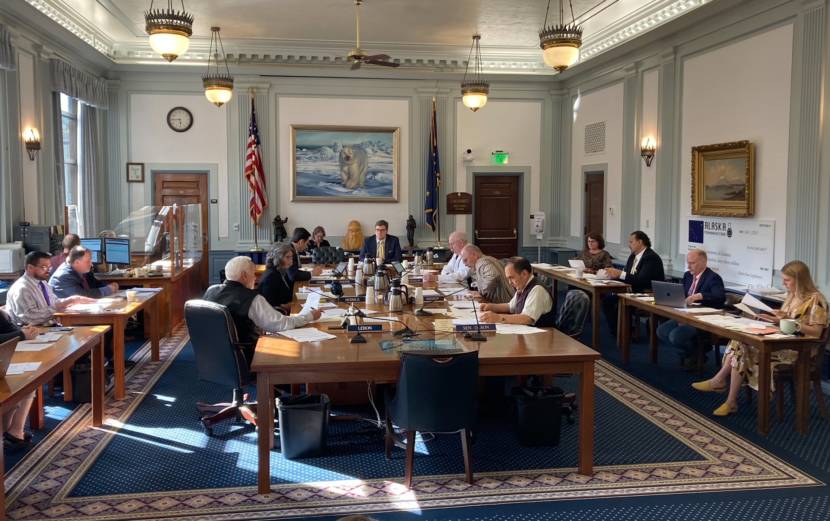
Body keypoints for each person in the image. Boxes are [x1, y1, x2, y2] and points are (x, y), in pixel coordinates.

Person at [692, 260, 828, 416]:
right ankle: (728, 397)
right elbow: (786, 319)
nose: (784, 284)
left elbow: (816, 332)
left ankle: (722, 387)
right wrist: (772, 317)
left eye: (787, 280)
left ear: (800, 279)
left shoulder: (816, 299)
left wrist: (787, 322)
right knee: (740, 343)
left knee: (741, 347)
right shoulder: (792, 295)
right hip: (781, 341)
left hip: (798, 350)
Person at [204, 256, 322, 367]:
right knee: (302, 349)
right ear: (244, 276)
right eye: (253, 274)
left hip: (213, 357)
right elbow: (282, 324)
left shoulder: (210, 291)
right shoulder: (251, 298)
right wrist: (309, 316)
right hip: (248, 355)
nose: (255, 278)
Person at [478, 257, 590, 335]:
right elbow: (510, 306)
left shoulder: (537, 290)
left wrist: (498, 318)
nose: (509, 282)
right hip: (526, 334)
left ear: (524, 274)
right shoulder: (522, 285)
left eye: (511, 278)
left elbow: (527, 318)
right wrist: (490, 306)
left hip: (542, 339)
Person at [656, 249, 726, 366]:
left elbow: (719, 296)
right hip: (684, 314)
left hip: (701, 320)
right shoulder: (687, 275)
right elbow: (682, 294)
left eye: (692, 263)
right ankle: (694, 352)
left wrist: (700, 295)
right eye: (688, 263)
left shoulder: (713, 277)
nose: (688, 266)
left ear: (703, 262)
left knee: (675, 336)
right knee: (661, 331)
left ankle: (697, 352)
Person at [602, 230, 665, 334]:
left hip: (646, 292)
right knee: (608, 299)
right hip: (632, 290)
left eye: (631, 242)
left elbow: (642, 280)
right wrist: (612, 276)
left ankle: (624, 332)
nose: (629, 244)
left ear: (640, 242)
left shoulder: (651, 257)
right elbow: (627, 275)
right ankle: (619, 331)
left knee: (614, 300)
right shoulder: (633, 256)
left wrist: (619, 274)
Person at [6, 251, 93, 326]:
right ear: (30, 268)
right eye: (44, 267)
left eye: (49, 267)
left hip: (48, 327)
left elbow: (54, 302)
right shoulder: (22, 289)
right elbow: (29, 318)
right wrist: (58, 307)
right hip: (32, 332)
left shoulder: (42, 282)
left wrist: (72, 300)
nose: (48, 270)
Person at [49, 246, 119, 298]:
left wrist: (109, 286)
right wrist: (108, 289)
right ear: (77, 262)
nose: (91, 264)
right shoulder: (64, 276)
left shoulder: (81, 269)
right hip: (64, 315)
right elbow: (81, 296)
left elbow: (94, 283)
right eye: (88, 261)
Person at [258, 243, 295, 314]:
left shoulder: (280, 271)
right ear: (278, 258)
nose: (291, 262)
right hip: (278, 317)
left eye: (291, 257)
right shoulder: (271, 277)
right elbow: (270, 307)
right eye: (287, 257)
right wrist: (287, 306)